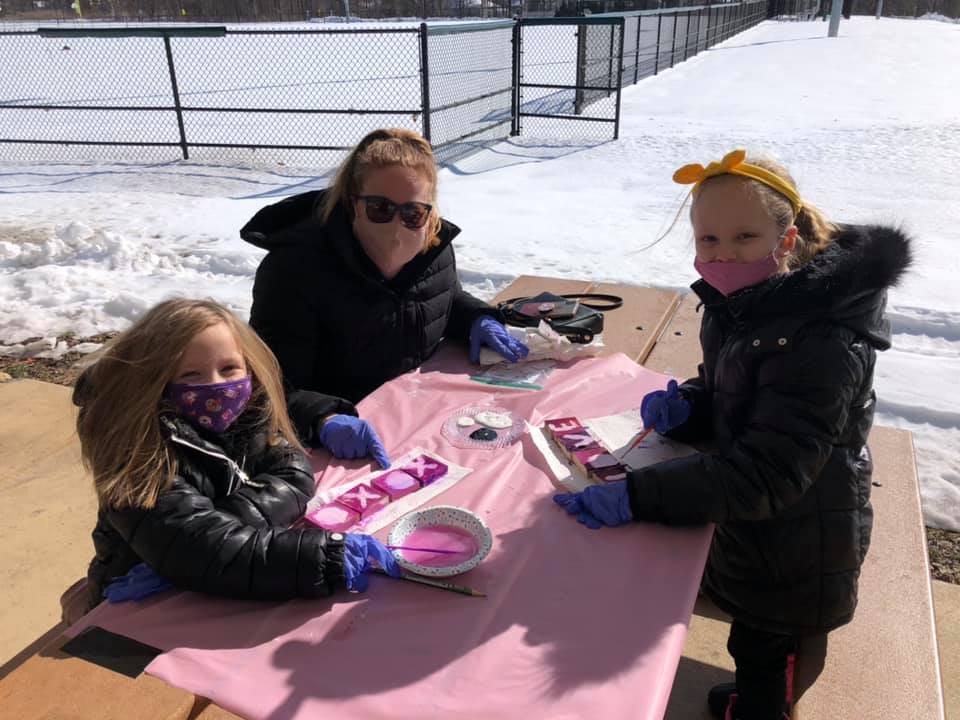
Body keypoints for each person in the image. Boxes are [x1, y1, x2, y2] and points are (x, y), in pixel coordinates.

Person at [554, 149, 912, 720]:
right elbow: (738, 394)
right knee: (751, 644)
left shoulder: (820, 338)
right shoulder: (745, 303)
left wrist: (640, 494)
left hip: (802, 547)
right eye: (708, 240)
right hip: (758, 531)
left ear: (787, 240)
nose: (722, 255)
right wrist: (692, 407)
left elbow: (771, 471)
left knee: (770, 654)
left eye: (745, 236)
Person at [71, 298, 400, 619]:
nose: (216, 387)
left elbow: (293, 472)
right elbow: (204, 554)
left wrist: (215, 527)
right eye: (190, 376)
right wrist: (326, 557)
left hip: (204, 574)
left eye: (229, 368)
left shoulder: (248, 411)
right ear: (153, 382)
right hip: (134, 607)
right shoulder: (134, 455)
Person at [242, 128, 527, 408]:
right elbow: (272, 385)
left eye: (413, 213)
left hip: (416, 413)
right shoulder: (293, 270)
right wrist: (323, 418)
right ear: (353, 203)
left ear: (430, 212)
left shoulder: (433, 248)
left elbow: (441, 302)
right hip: (339, 434)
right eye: (380, 208)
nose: (396, 225)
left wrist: (476, 318)